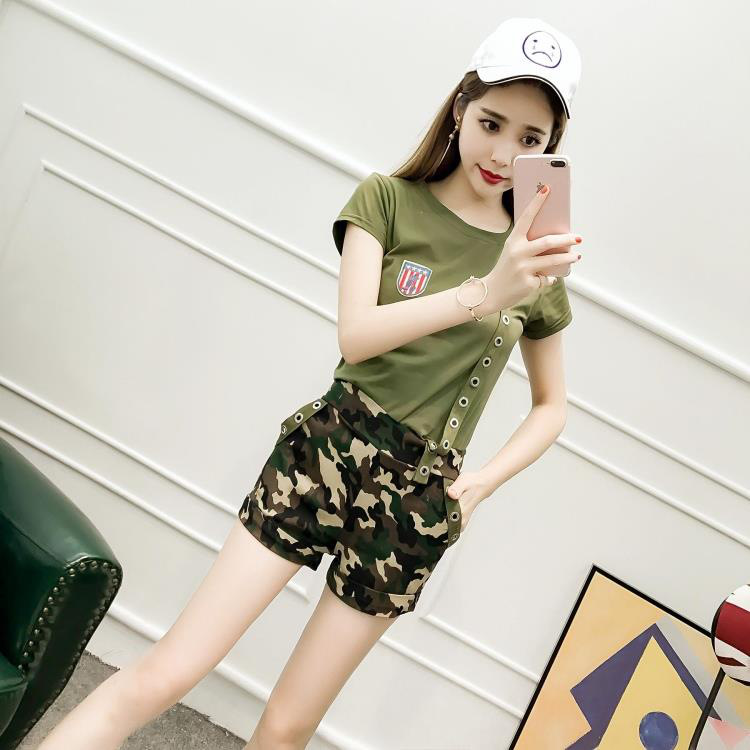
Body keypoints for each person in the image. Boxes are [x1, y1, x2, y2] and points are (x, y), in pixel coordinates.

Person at [37, 16, 583, 750]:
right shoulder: (388, 200)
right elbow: (357, 334)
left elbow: (552, 407)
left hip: (418, 500)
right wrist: (487, 291)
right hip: (328, 446)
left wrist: (480, 484)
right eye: (491, 123)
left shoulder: (536, 259)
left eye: (530, 139)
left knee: (288, 726)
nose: (504, 153)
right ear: (460, 108)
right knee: (171, 670)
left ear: (551, 150)